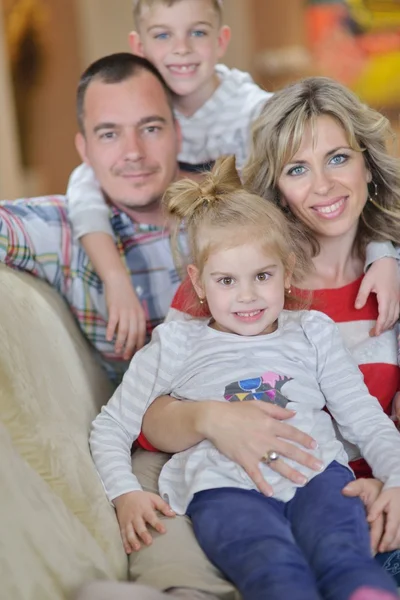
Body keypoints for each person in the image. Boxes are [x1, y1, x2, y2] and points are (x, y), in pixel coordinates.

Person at [134, 77, 400, 596]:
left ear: (368, 163)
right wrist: (211, 417)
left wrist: (386, 485)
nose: (323, 186)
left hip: (364, 511)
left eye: (339, 158)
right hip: (255, 506)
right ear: (277, 186)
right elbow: (145, 421)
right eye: (297, 169)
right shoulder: (240, 281)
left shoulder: (391, 273)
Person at [66, 0, 273, 359]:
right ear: (139, 47)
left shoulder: (254, 112)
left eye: (197, 32)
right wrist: (116, 279)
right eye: (163, 35)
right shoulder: (146, 110)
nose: (181, 48)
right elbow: (84, 187)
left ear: (222, 40)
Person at [0, 52, 182, 383]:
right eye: (109, 134)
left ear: (178, 133)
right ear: (85, 149)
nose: (134, 152)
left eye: (151, 128)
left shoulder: (230, 209)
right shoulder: (63, 231)